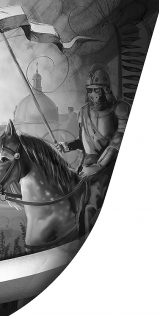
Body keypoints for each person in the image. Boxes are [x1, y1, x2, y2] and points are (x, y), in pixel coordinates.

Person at [55, 65, 130, 224]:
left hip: (108, 168)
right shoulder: (83, 112)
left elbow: (118, 142)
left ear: (106, 90)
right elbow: (82, 141)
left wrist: (98, 166)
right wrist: (66, 146)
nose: (92, 94)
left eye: (96, 90)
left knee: (89, 209)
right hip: (85, 167)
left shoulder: (120, 109)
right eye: (89, 90)